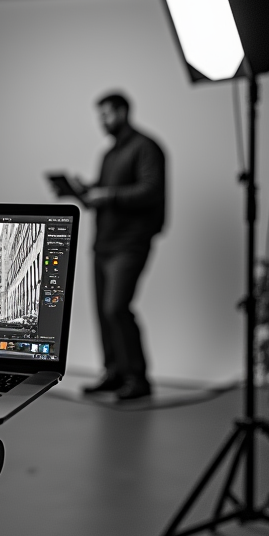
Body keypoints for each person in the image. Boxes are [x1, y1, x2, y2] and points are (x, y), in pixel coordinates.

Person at [74, 92, 166, 402]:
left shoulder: (146, 148)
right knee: (103, 311)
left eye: (107, 114)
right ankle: (113, 373)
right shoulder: (108, 155)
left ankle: (137, 379)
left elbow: (151, 191)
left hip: (130, 242)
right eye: (99, 115)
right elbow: (101, 196)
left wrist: (108, 195)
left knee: (117, 308)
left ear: (124, 112)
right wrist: (83, 192)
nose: (102, 121)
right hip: (103, 242)